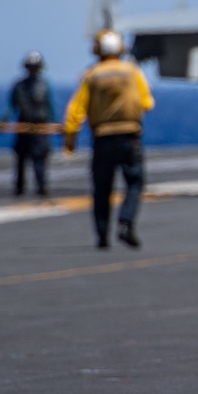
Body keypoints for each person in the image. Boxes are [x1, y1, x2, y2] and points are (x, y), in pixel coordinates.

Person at [63, 30, 155, 250]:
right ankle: (126, 222)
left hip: (102, 138)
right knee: (134, 183)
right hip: (130, 136)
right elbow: (147, 103)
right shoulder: (132, 72)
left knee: (102, 188)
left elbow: (76, 111)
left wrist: (70, 140)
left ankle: (102, 236)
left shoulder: (92, 75)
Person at [3, 51, 57, 196]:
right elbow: (12, 106)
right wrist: (2, 121)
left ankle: (41, 187)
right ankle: (19, 187)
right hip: (24, 127)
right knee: (21, 158)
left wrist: (58, 124)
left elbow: (50, 106)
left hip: (40, 127)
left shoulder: (44, 85)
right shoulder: (19, 86)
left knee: (39, 159)